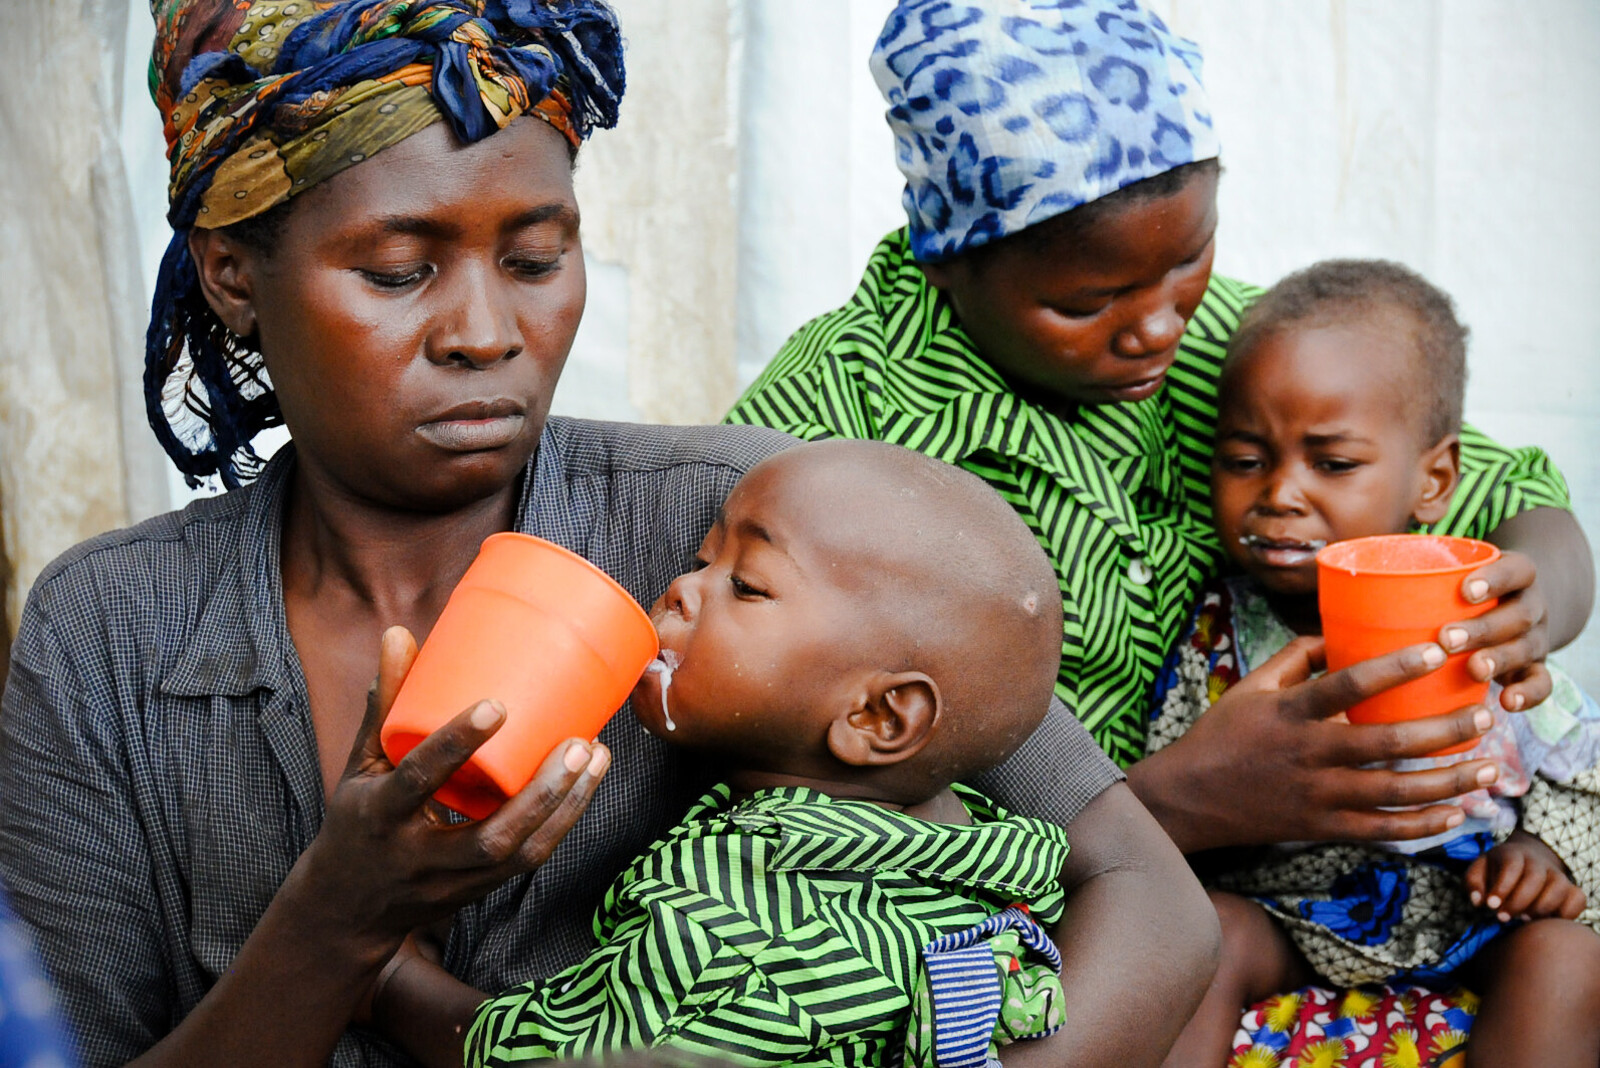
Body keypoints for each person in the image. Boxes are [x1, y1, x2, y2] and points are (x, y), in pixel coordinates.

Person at [0, 2, 1217, 1066]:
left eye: (536, 257)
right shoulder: (111, 633)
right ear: (231, 277)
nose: (486, 331)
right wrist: (337, 917)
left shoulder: (748, 527)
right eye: (396, 272)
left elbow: (1149, 896)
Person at [726, 0, 1594, 896]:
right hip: (974, 899)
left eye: (1191, 258)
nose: (1158, 328)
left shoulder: (1229, 342)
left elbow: (1499, 489)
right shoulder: (829, 422)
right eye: (1086, 304)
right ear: (946, 257)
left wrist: (1530, 603)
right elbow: (766, 763)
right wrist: (1172, 806)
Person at [372, 439, 1081, 1067]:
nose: (681, 590)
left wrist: (387, 979)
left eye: (746, 586)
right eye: (705, 560)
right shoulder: (985, 856)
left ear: (876, 717)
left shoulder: (724, 923)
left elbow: (548, 1057)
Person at [1144, 260, 1600, 1067]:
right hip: (1288, 918)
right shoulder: (1220, 633)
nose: (1280, 492)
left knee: (1566, 956)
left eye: (1334, 463)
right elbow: (1177, 786)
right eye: (1246, 460)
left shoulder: (1475, 622)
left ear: (1434, 479)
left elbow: (1579, 761)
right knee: (1202, 935)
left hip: (1470, 915)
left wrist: (1545, 856)